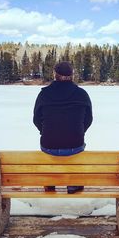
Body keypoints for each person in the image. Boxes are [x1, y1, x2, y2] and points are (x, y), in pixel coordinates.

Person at [33, 61, 93, 194]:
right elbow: (89, 119)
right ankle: (73, 184)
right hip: (75, 145)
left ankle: (50, 181)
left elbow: (36, 119)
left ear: (55, 75)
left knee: (50, 151)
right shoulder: (82, 94)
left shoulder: (44, 94)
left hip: (49, 145)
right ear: (72, 75)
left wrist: (45, 131)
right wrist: (79, 131)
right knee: (76, 151)